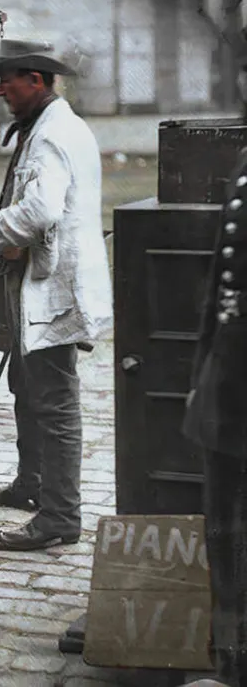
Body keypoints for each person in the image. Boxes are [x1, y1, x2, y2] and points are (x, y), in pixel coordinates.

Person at [0, 39, 112, 550]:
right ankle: (32, 484)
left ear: (35, 79)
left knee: (52, 401)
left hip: (53, 288)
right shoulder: (48, 126)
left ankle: (59, 518)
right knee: (26, 386)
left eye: (8, 80)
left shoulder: (54, 134)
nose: (3, 91)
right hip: (42, 282)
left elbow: (40, 212)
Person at [183, 147, 247, 687]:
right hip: (229, 376)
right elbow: (221, 284)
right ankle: (230, 662)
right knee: (222, 520)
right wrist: (203, 369)